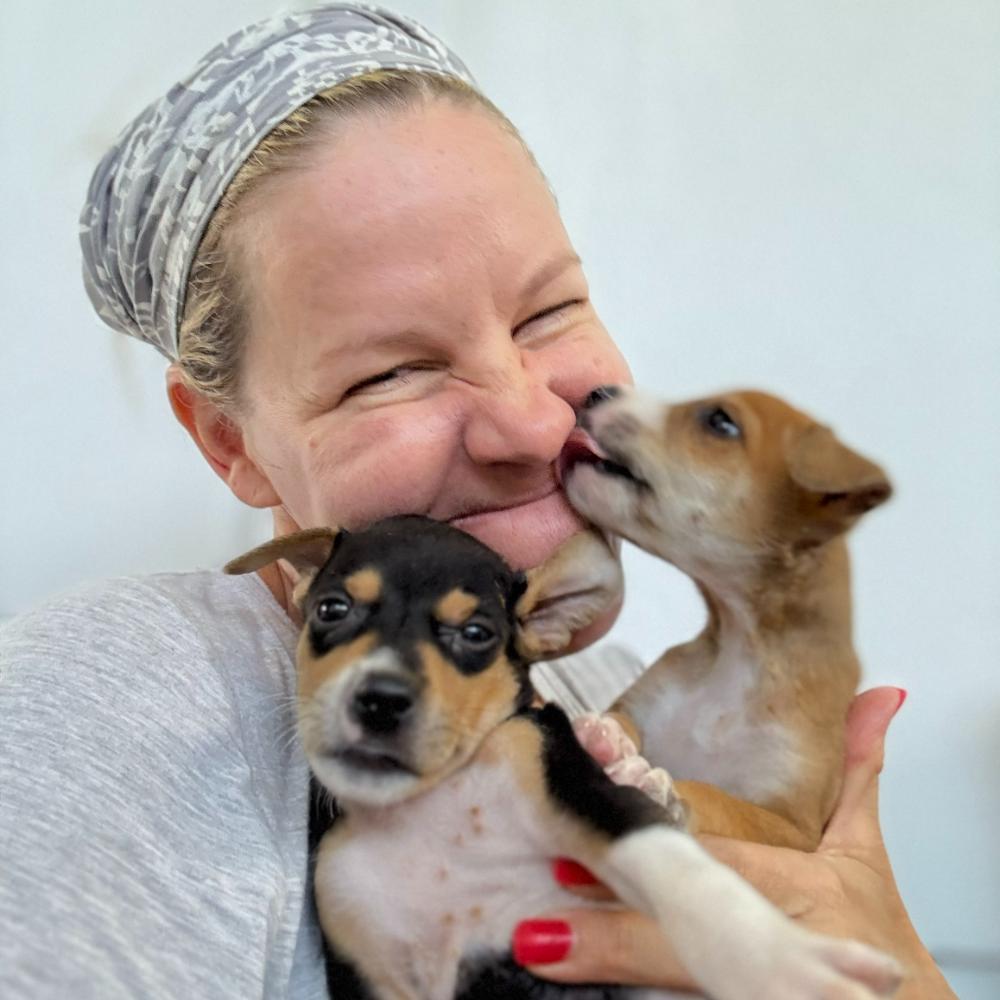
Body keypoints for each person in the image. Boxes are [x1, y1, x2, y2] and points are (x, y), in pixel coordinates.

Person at [0, 4, 955, 998]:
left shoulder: (618, 699)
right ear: (230, 442)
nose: (534, 425)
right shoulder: (110, 700)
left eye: (550, 310)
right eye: (388, 375)